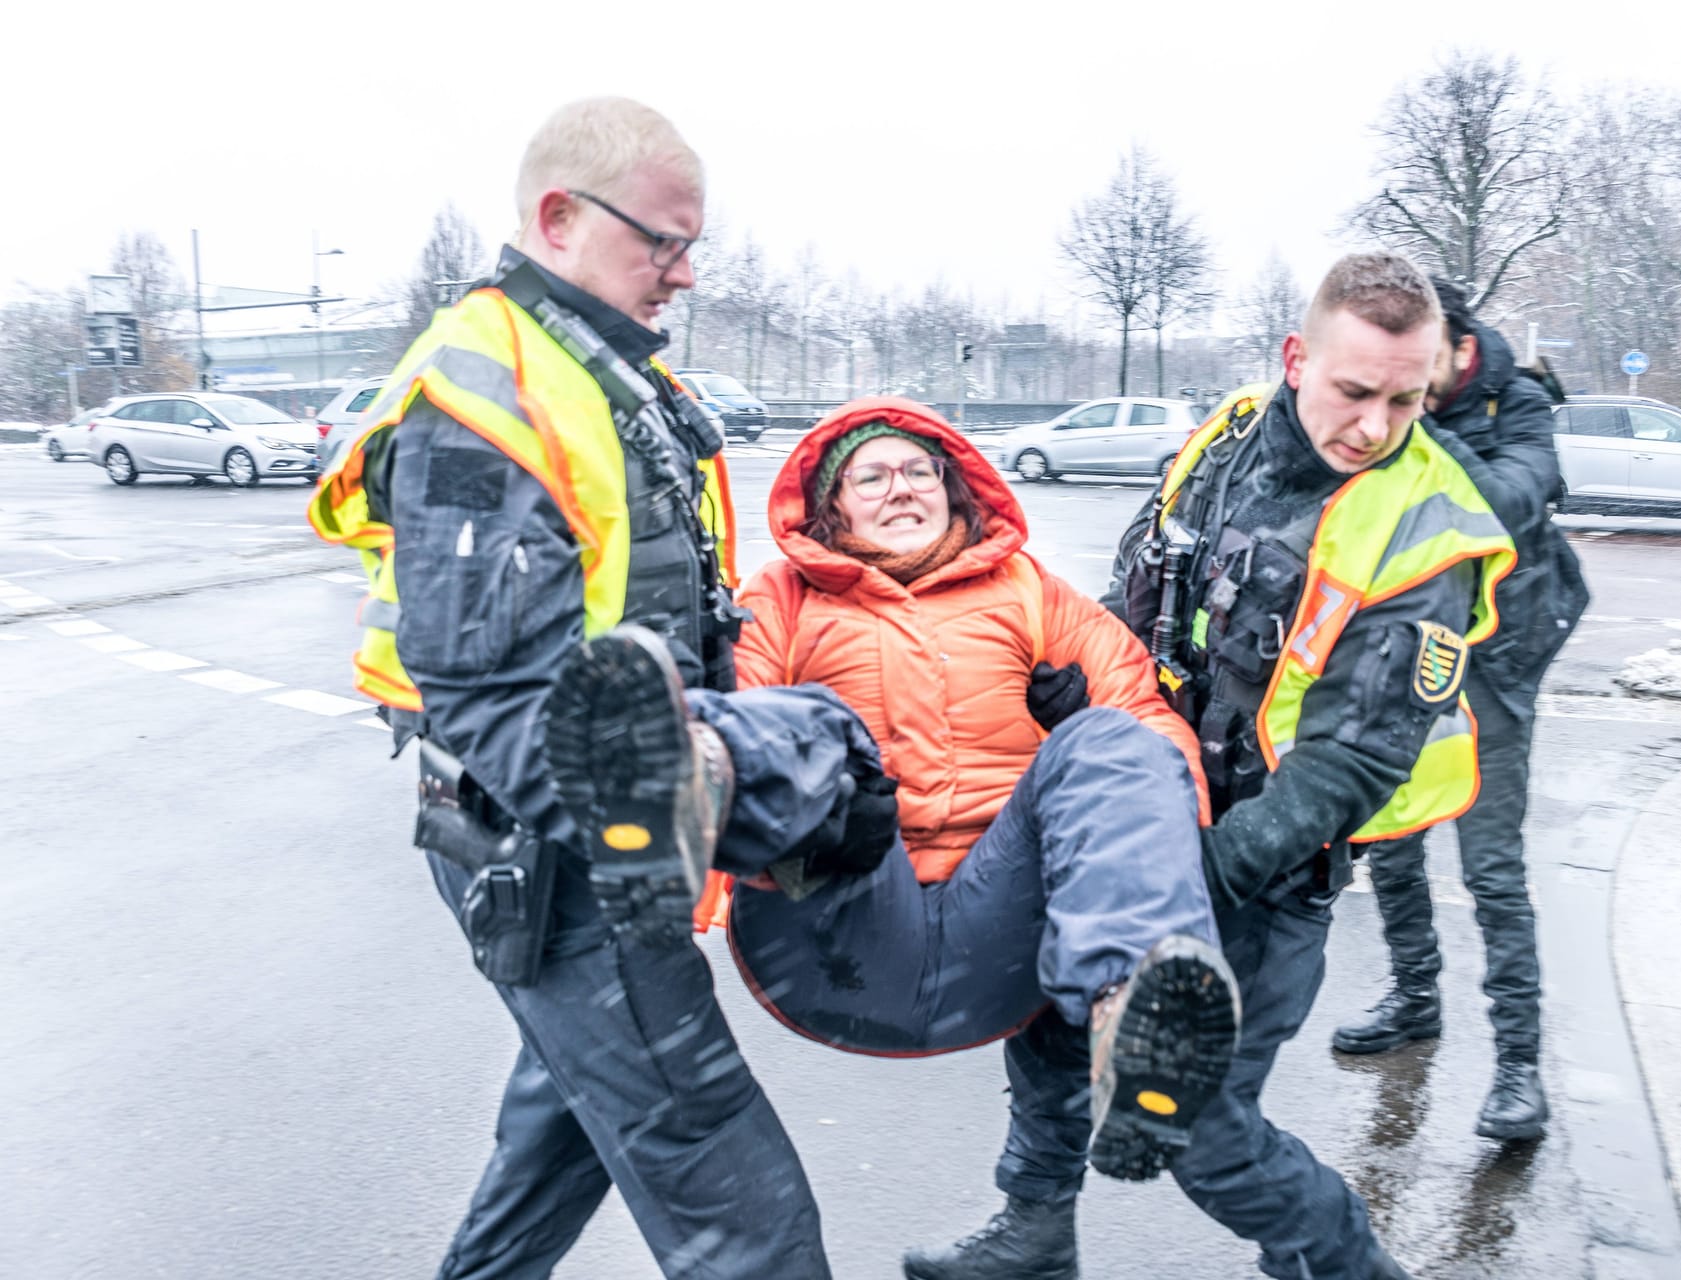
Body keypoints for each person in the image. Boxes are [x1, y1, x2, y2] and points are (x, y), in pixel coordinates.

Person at [309, 97, 891, 1279]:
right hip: (568, 852)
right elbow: (482, 692)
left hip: (594, 831)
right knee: (749, 1221)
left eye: (692, 247)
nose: (682, 274)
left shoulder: (599, 371)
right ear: (559, 217)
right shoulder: (485, 391)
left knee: (565, 1134)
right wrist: (698, 802)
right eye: (661, 242)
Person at [910, 252, 1511, 1280]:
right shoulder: (1227, 435)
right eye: (1354, 391)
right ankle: (1034, 1231)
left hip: (1264, 872)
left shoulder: (1425, 525)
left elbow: (1352, 767)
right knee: (1053, 1029)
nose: (1375, 426)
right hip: (1147, 817)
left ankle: (1343, 1264)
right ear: (1294, 359)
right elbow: (1143, 581)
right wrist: (1081, 693)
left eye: (1405, 400)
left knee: (1203, 1127)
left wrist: (1190, 872)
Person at [706, 396, 1241, 1183]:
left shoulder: (1032, 592)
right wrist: (819, 807)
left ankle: (1136, 1028)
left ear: (953, 489)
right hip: (831, 924)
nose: (902, 489)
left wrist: (1089, 748)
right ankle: (656, 777)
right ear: (831, 506)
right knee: (813, 721)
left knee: (1113, 736)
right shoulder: (782, 596)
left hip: (1008, 928)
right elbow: (745, 712)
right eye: (872, 476)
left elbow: (1148, 726)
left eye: (921, 471)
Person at [1330, 276, 1590, 1143]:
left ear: (1456, 341)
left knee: (1490, 867)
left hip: (1499, 657)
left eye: (1414, 373)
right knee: (1392, 840)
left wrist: (1420, 429)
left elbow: (1510, 504)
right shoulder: (1392, 404)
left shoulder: (1516, 401)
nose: (1395, 394)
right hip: (1404, 654)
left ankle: (1518, 1067)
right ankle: (1414, 997)